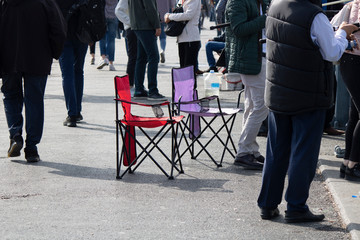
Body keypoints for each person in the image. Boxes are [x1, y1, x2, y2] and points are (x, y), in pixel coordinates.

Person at [257, 0, 357, 223]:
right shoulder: (314, 15)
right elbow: (331, 53)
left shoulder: (275, 5)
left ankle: (267, 204)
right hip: (307, 93)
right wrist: (342, 33)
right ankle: (296, 206)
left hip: (278, 91)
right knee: (303, 153)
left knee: (276, 151)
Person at [0, 0, 66, 162]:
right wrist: (53, 53)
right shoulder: (45, 2)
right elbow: (59, 29)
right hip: (38, 57)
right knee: (34, 100)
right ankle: (32, 148)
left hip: (9, 58)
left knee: (10, 95)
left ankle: (15, 134)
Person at [225, 0, 269, 170]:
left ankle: (250, 149)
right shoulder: (237, 1)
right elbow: (238, 29)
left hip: (259, 57)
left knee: (251, 106)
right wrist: (266, 18)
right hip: (251, 59)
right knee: (261, 106)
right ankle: (244, 151)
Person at [56, 0, 89, 127]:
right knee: (78, 71)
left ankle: (72, 114)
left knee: (67, 74)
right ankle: (77, 110)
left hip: (64, 34)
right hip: (82, 33)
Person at [338, 0, 360, 182]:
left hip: (351, 61)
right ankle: (353, 164)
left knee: (355, 115)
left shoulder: (352, 5)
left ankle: (347, 164)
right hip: (353, 61)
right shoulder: (353, 5)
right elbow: (342, 27)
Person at [129, 0, 167, 101]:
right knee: (154, 57)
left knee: (142, 58)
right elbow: (150, 7)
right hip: (145, 25)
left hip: (137, 24)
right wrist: (157, 25)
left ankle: (139, 89)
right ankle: (153, 90)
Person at [165, 0, 202, 75]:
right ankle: (184, 86)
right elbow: (176, 11)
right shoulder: (181, 1)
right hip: (181, 38)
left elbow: (188, 15)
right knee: (183, 67)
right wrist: (168, 15)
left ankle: (190, 87)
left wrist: (170, 16)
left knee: (189, 67)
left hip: (191, 38)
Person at [115, 0, 136, 88]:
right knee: (133, 57)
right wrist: (131, 22)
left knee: (140, 58)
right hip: (132, 29)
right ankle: (130, 83)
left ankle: (138, 84)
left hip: (140, 28)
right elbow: (118, 10)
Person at [97, 0, 118, 71]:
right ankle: (111, 63)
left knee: (102, 37)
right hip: (114, 14)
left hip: (103, 14)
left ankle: (103, 58)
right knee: (111, 40)